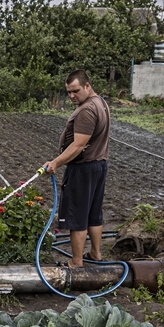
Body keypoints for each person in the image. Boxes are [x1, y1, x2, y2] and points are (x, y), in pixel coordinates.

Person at [42, 69, 111, 268]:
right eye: (69, 92)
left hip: (83, 169)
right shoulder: (101, 102)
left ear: (87, 85)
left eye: (76, 91)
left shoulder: (86, 110)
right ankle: (95, 254)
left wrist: (55, 162)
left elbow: (78, 145)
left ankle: (76, 262)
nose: (72, 96)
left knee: (77, 215)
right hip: (98, 166)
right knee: (93, 213)